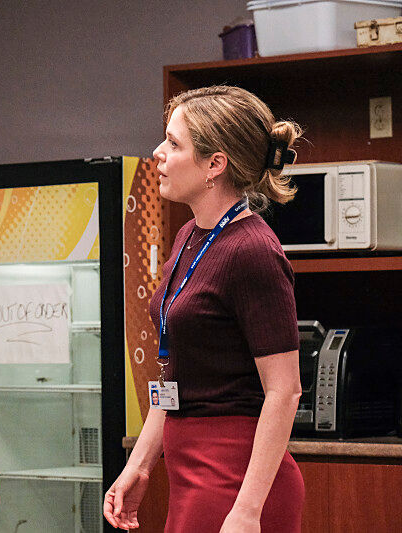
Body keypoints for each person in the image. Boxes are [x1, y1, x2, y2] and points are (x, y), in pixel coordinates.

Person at [104, 86, 304, 533]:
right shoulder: (189, 236)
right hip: (188, 465)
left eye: (174, 144)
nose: (157, 153)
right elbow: (174, 372)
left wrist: (248, 510)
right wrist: (139, 465)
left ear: (215, 164)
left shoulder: (253, 250)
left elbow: (285, 391)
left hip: (236, 475)